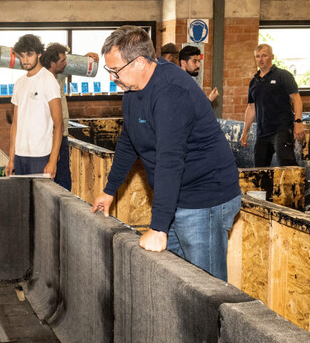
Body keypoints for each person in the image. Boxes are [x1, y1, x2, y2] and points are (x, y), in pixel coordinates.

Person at [91, 26, 241, 281]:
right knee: (173, 279)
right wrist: (109, 191)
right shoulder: (132, 88)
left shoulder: (171, 91)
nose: (112, 78)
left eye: (115, 71)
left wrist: (159, 227)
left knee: (206, 285)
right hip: (176, 195)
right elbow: (128, 141)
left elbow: (170, 160)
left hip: (205, 197)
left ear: (139, 63)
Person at [40, 43, 100, 191]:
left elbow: (76, 66)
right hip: (49, 137)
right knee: (53, 177)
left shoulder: (59, 76)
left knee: (63, 178)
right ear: (53, 63)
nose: (66, 63)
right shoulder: (42, 80)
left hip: (62, 135)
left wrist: (87, 58)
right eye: (62, 61)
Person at [4, 34, 62, 178]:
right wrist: (11, 159)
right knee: (22, 200)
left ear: (39, 54)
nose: (25, 60)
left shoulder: (48, 80)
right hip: (20, 155)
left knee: (40, 201)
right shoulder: (19, 83)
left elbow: (59, 124)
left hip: (41, 156)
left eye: (29, 55)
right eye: (22, 56)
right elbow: (15, 124)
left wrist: (53, 161)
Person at [240, 43, 304, 167]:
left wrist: (298, 122)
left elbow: (296, 99)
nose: (260, 59)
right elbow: (251, 107)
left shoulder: (283, 75)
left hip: (281, 129)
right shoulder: (254, 81)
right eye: (258, 56)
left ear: (272, 57)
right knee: (259, 170)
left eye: (264, 55)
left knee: (287, 166)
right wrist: (245, 131)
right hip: (262, 132)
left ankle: (305, 187)